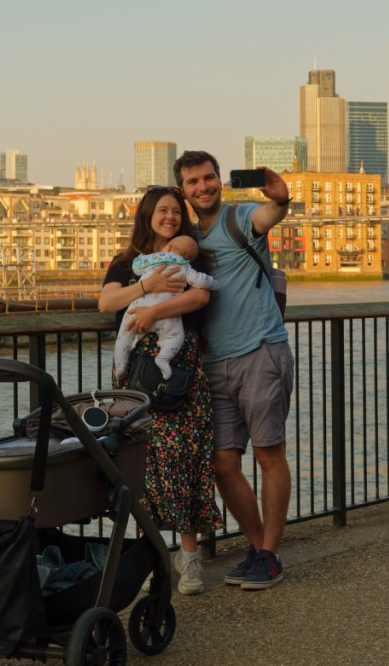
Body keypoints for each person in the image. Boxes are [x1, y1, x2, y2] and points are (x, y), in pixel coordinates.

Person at [174, 151, 294, 590]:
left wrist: (281, 198)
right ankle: (259, 547)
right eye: (193, 182)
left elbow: (269, 214)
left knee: (268, 454)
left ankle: (271, 555)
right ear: (183, 190)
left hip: (260, 352)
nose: (203, 187)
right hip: (212, 364)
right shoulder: (187, 238)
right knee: (223, 464)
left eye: (208, 178)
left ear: (219, 181)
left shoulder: (239, 218)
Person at [98, 186, 222, 596]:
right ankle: (151, 557)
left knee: (186, 461)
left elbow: (201, 295)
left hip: (181, 373)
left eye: (175, 211)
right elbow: (106, 302)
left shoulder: (192, 257)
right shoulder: (127, 261)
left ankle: (189, 561)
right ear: (148, 214)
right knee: (142, 468)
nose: (169, 217)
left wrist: (153, 310)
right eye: (162, 210)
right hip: (136, 377)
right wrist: (145, 286)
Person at [112, 235, 217, 380]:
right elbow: (201, 282)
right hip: (169, 316)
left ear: (168, 247)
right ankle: (163, 359)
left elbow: (137, 268)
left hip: (139, 308)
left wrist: (142, 261)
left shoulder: (154, 258)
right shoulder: (185, 266)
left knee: (124, 334)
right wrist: (214, 284)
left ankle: (121, 364)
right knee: (176, 336)